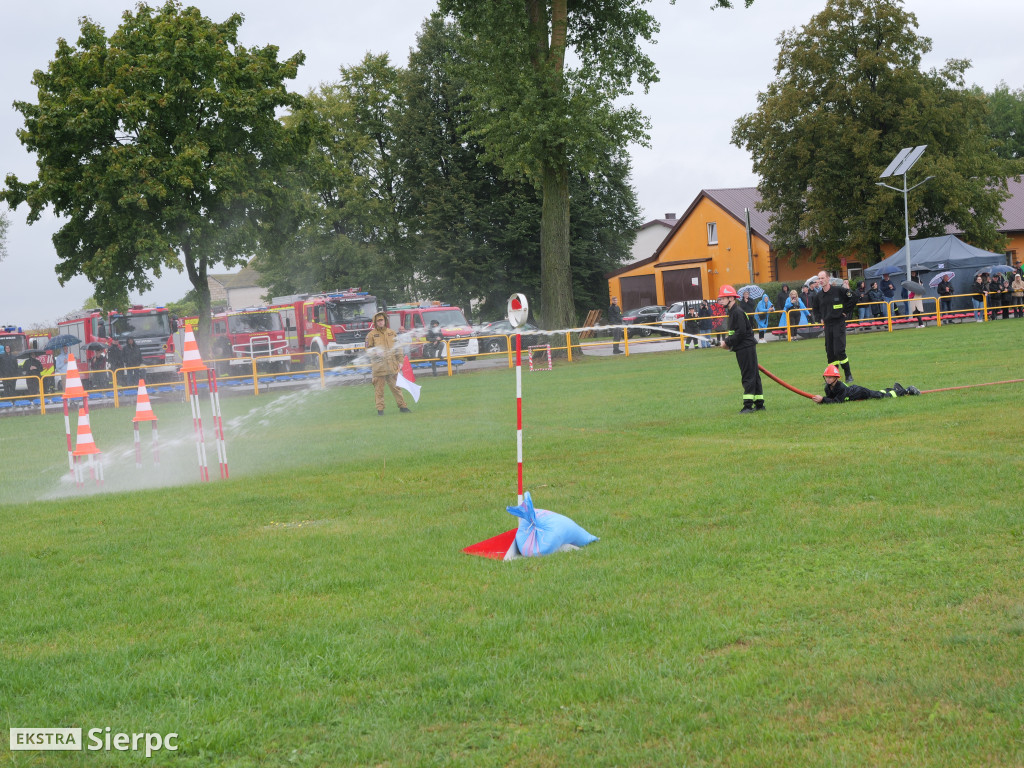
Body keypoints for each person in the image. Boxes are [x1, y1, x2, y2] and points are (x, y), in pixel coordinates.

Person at [717, 284, 764, 413]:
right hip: (744, 347)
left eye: (722, 298)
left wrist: (727, 342)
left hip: (745, 348)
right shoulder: (733, 312)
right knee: (754, 374)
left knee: (748, 375)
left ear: (731, 298)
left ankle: (748, 406)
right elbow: (735, 333)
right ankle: (759, 404)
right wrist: (728, 342)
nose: (720, 301)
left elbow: (741, 332)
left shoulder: (737, 312)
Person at [810, 271, 858, 383]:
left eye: (822, 278)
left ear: (828, 278)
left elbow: (854, 297)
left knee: (839, 350)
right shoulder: (818, 296)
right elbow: (815, 309)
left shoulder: (839, 290)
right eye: (819, 278)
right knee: (830, 352)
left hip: (838, 323)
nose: (820, 280)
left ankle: (848, 374)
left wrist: (846, 311)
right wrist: (819, 318)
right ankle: (833, 377)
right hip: (827, 325)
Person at [364, 311, 410, 415]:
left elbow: (398, 348)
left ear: (385, 321)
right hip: (379, 368)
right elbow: (367, 349)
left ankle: (403, 407)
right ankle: (380, 410)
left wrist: (401, 361)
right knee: (379, 391)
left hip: (392, 367)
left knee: (397, 388)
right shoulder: (371, 335)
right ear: (375, 322)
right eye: (378, 321)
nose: (380, 322)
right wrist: (376, 352)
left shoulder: (392, 333)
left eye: (382, 320)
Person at [812, 364, 920, 404]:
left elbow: (837, 401)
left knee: (880, 396)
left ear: (836, 378)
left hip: (860, 392)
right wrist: (824, 400)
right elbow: (830, 398)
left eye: (830, 377)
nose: (827, 379)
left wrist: (822, 400)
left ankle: (907, 390)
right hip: (855, 392)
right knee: (878, 392)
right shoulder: (827, 387)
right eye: (826, 377)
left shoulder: (840, 387)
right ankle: (895, 388)